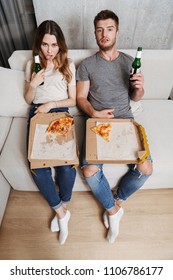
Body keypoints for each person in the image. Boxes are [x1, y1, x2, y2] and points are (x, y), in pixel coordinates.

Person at [76, 10, 153, 243]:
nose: (104, 34)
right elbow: (80, 98)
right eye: (99, 29)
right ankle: (113, 210)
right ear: (95, 33)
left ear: (117, 32)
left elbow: (136, 97)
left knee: (146, 168)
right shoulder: (87, 65)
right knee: (88, 170)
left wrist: (140, 87)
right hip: (97, 122)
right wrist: (94, 112)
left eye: (109, 29)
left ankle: (118, 198)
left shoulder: (129, 62)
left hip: (125, 121)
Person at [24, 20, 76, 245]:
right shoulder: (31, 65)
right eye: (45, 45)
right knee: (36, 166)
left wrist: (51, 104)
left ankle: (64, 204)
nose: (49, 51)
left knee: (66, 164)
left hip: (60, 112)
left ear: (60, 45)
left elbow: (73, 100)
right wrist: (34, 84)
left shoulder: (68, 64)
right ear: (39, 45)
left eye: (54, 45)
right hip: (36, 115)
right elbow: (27, 99)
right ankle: (61, 213)